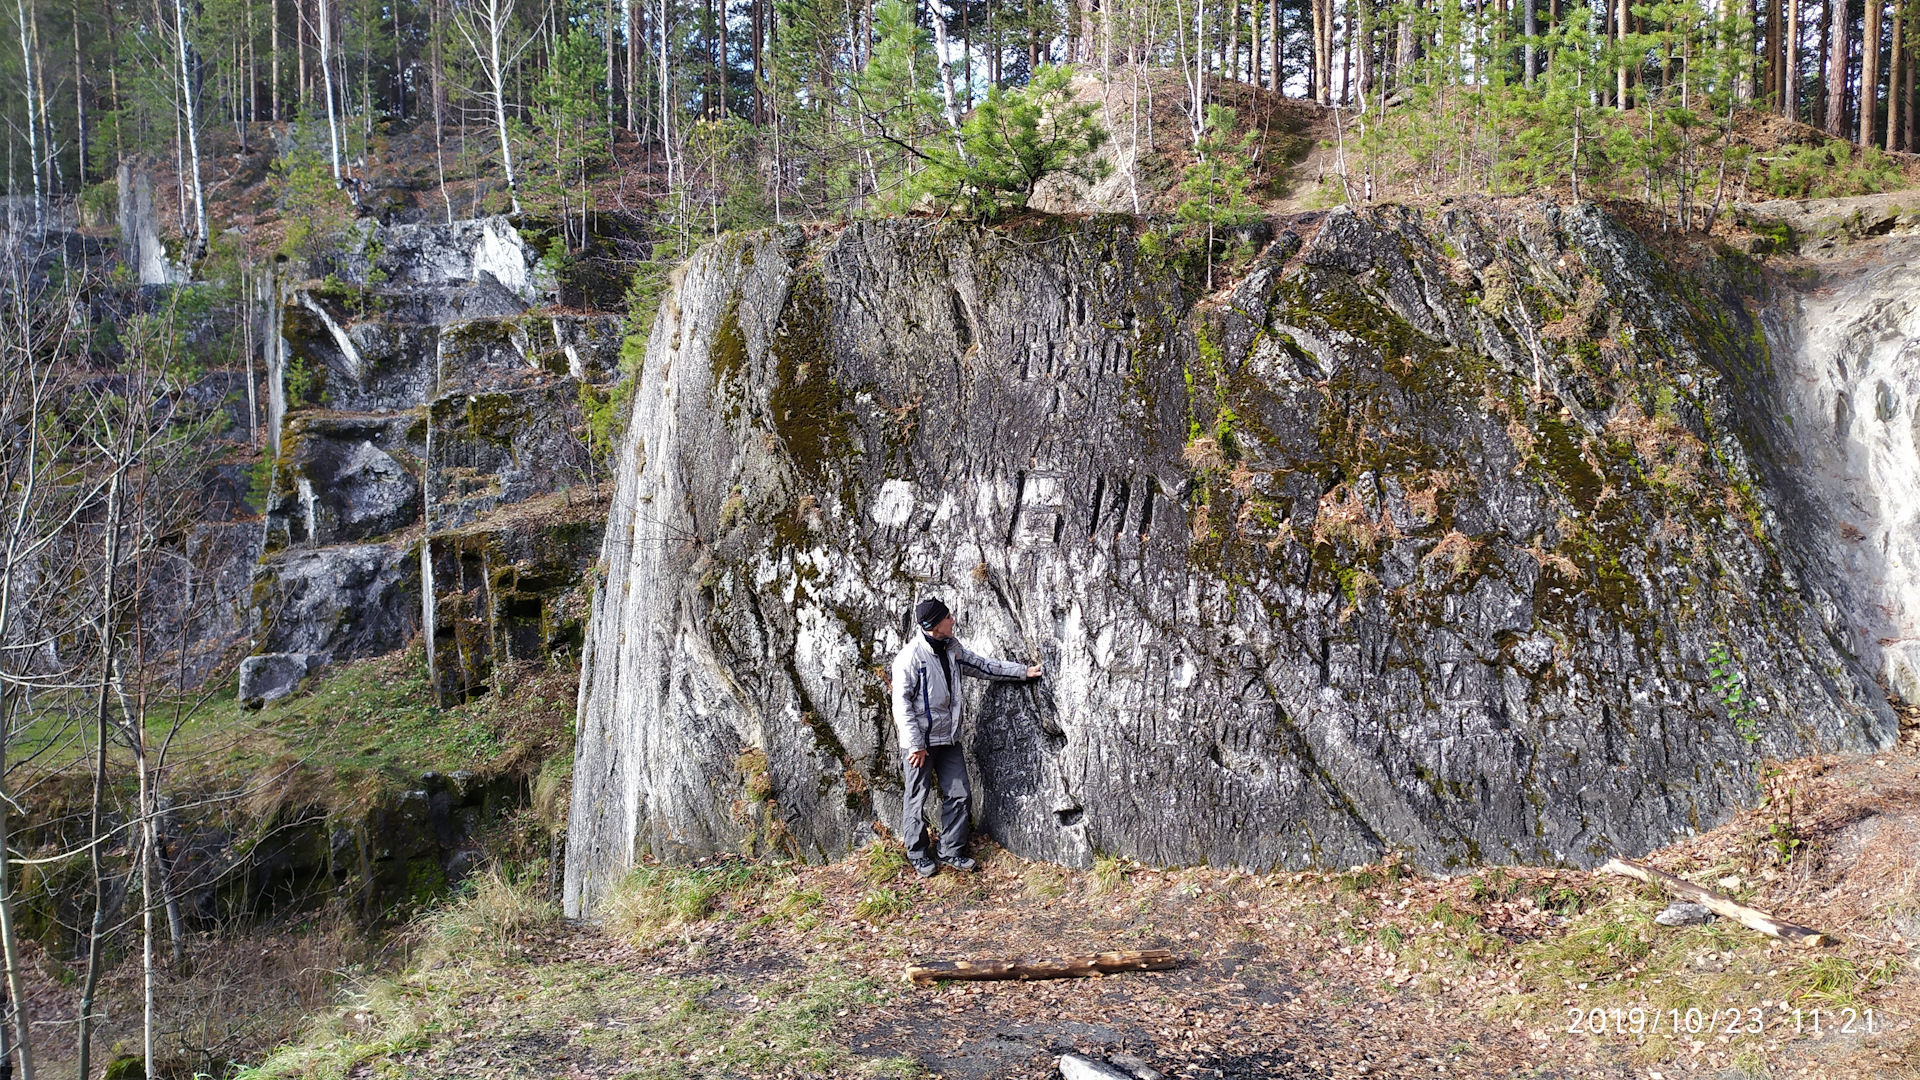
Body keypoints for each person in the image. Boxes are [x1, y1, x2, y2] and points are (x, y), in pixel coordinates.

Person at [890, 598, 1043, 877]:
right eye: (949, 617)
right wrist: (915, 745)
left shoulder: (952, 649)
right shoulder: (910, 658)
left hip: (948, 740)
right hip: (920, 745)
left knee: (960, 793)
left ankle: (950, 850)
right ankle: (917, 853)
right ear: (935, 625)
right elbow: (901, 705)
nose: (954, 620)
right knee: (916, 798)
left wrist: (1022, 672)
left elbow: (983, 666)